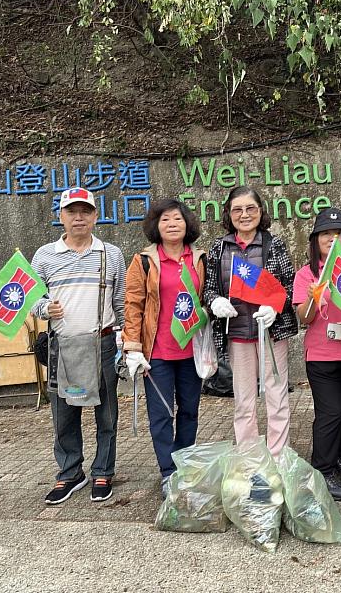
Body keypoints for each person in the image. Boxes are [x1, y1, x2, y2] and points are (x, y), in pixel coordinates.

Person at [31, 187, 126, 504]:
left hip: (103, 343)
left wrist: (125, 337)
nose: (79, 217)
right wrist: (45, 309)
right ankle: (71, 472)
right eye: (72, 211)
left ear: (96, 216)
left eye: (86, 211)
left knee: (107, 414)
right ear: (61, 216)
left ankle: (103, 471)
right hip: (62, 346)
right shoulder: (44, 255)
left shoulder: (110, 254)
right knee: (63, 414)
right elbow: (32, 300)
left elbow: (121, 302)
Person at [203, 186, 298, 458]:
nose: (244, 215)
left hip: (271, 333)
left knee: (276, 398)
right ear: (228, 214)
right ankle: (249, 457)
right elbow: (209, 289)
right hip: (238, 335)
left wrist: (275, 305)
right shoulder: (219, 248)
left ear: (260, 211)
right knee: (244, 402)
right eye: (237, 209)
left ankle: (279, 456)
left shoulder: (273, 244)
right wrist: (215, 302)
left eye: (250, 209)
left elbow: (290, 286)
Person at [122, 199, 206, 498]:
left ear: (188, 224)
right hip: (157, 352)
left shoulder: (200, 258)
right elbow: (133, 304)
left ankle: (185, 465)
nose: (172, 224)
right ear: (156, 226)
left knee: (190, 412)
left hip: (190, 349)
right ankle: (168, 473)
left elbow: (207, 298)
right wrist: (132, 346)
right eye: (165, 219)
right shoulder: (144, 261)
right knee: (160, 415)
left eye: (178, 219)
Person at [293, 208, 341, 501]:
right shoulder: (306, 273)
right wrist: (314, 298)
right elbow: (304, 317)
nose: (333, 238)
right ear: (316, 240)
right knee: (331, 413)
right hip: (322, 356)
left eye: (339, 233)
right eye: (326, 233)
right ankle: (322, 469)